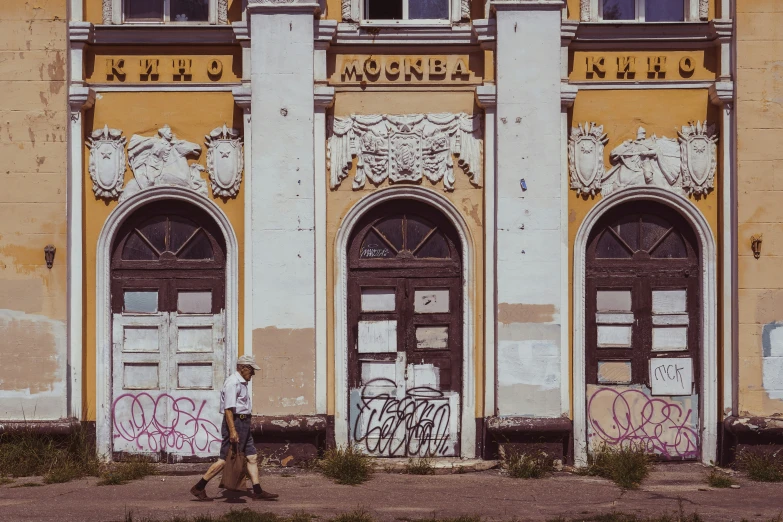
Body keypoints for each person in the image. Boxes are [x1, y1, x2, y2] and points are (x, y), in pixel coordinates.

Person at [190, 355, 279, 501]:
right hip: (236, 423)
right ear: (243, 368)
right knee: (224, 459)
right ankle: (199, 487)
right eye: (251, 370)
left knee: (252, 457)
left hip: (244, 423)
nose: (253, 373)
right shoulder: (233, 383)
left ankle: (257, 491)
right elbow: (228, 410)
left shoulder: (241, 382)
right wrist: (233, 431)